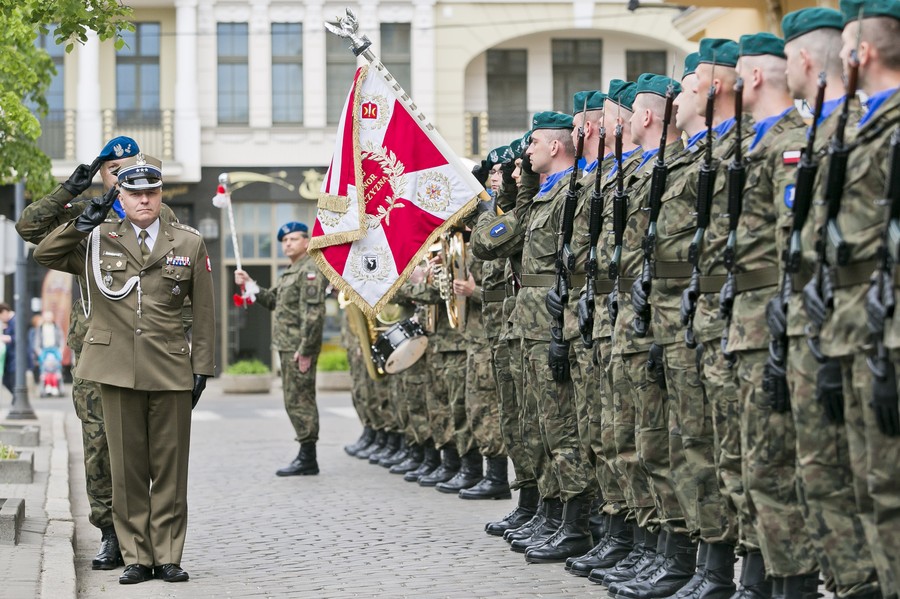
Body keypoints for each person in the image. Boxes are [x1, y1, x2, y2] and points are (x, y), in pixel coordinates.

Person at [33, 153, 215, 584]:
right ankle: (136, 556)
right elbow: (44, 253)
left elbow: (204, 310)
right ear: (121, 195)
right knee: (127, 468)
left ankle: (168, 555)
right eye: (134, 192)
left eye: (151, 192)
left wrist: (202, 366)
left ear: (160, 194)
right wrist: (80, 223)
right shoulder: (97, 239)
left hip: (170, 366)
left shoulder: (187, 242)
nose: (144, 199)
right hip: (113, 367)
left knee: (170, 468)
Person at [234, 221, 329, 476]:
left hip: (298, 348)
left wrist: (306, 348)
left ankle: (308, 457)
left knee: (301, 400)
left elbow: (313, 314)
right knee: (292, 399)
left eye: (293, 239)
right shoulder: (292, 270)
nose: (287, 243)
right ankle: (305, 453)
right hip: (288, 346)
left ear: (307, 242)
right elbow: (273, 300)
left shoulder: (310, 270)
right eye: (284, 241)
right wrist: (250, 283)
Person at [0, 302, 15, 395]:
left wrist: (5, 337)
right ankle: (16, 401)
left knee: (11, 382)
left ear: (4, 312)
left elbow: (18, 338)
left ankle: (16, 401)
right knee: (7, 381)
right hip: (10, 358)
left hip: (14, 358)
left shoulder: (14, 321)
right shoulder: (9, 323)